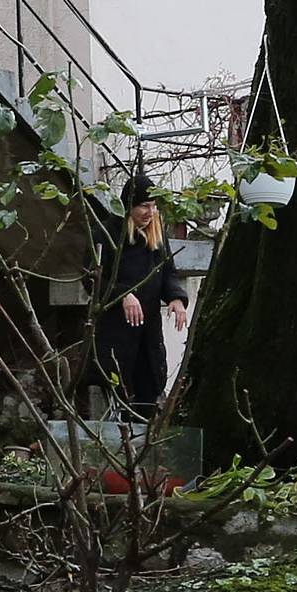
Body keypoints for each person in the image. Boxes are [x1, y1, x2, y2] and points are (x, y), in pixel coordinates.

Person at [91, 174, 188, 415]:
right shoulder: (105, 233)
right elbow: (92, 278)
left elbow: (168, 272)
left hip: (148, 333)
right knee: (117, 394)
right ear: (130, 205)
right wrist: (124, 294)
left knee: (148, 394)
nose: (150, 212)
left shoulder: (156, 235)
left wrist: (176, 298)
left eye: (154, 206)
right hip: (115, 333)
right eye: (144, 206)